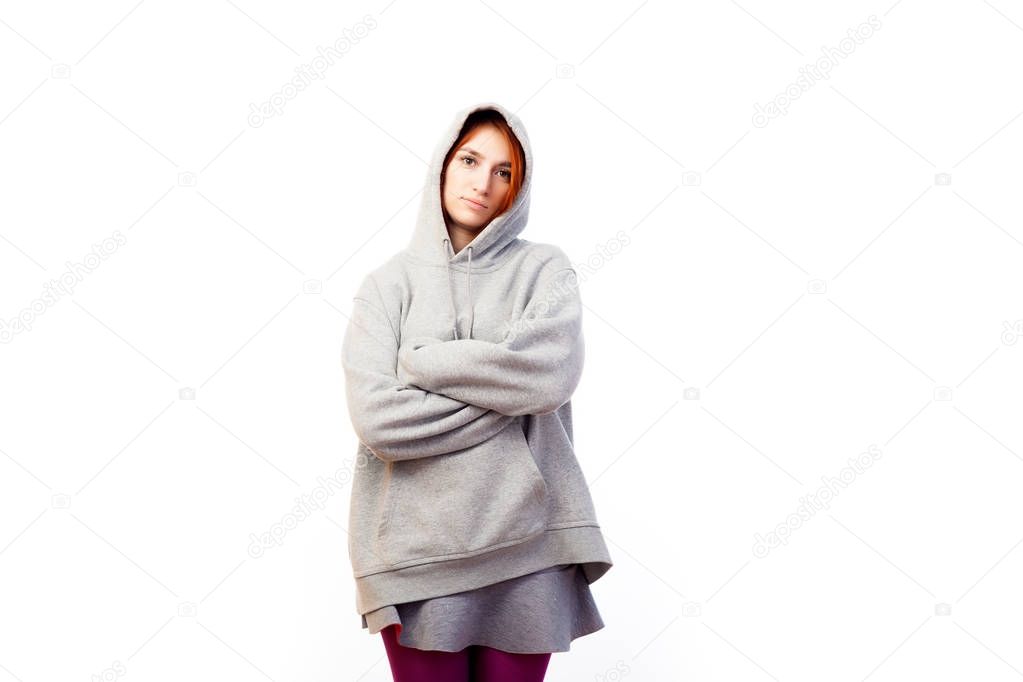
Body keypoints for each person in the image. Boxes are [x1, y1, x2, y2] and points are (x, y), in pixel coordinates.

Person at [341, 101, 613, 681]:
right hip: (414, 555)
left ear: (519, 187)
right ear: (443, 163)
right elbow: (378, 420)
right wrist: (505, 391)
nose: (482, 182)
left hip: (531, 548)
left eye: (504, 171)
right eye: (469, 160)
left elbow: (549, 375)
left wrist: (424, 364)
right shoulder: (386, 288)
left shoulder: (546, 271)